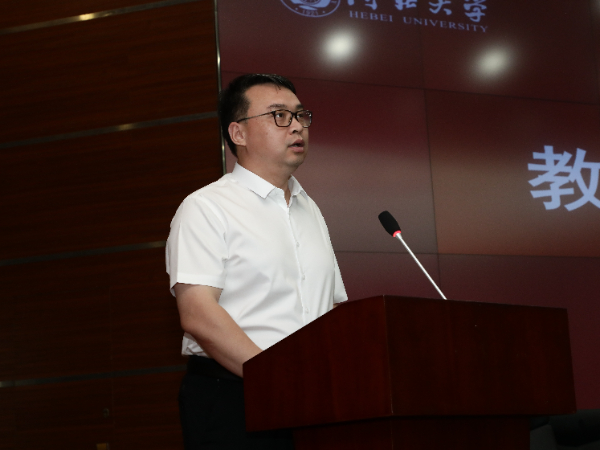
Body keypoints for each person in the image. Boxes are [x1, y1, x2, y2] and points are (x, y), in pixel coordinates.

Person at [166, 73, 347, 449]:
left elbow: (328, 308)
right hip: (234, 396)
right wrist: (276, 378)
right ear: (238, 133)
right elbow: (198, 314)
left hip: (311, 398)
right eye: (279, 115)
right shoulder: (207, 207)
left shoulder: (310, 209)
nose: (296, 126)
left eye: (300, 115)